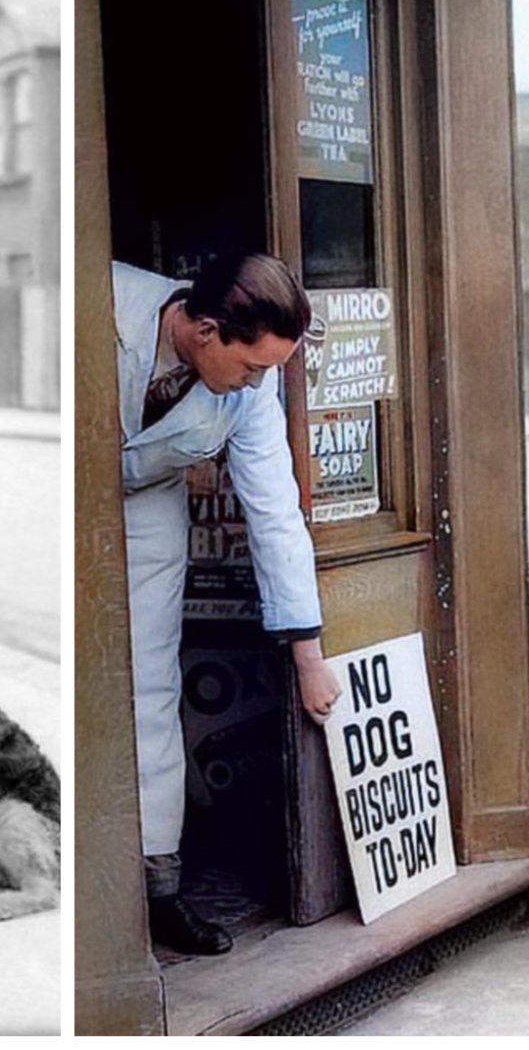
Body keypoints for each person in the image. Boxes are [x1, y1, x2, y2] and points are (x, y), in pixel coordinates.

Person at [114, 253, 342, 957]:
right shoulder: (101, 297)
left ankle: (157, 887)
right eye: (251, 368)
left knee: (150, 687)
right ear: (205, 330)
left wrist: (309, 657)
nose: (258, 384)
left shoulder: (248, 392)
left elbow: (276, 512)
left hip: (146, 512)